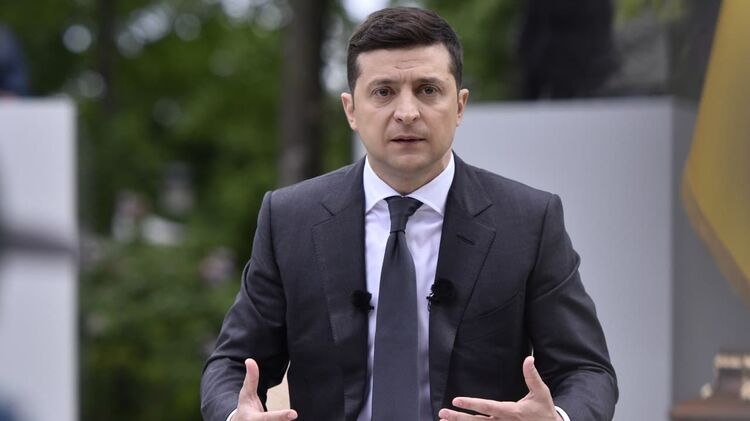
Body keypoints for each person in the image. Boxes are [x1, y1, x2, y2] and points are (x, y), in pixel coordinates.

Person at [201, 7, 617, 421]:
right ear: (350, 109)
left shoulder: (528, 221)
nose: (407, 112)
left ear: (460, 105)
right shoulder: (289, 219)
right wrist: (236, 416)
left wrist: (557, 418)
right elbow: (232, 364)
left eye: (428, 90)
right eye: (383, 92)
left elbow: (587, 371)